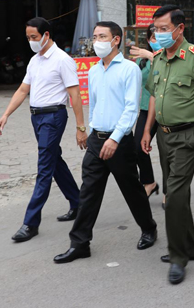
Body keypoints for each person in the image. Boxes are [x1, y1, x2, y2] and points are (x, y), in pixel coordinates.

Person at [54, 22, 157, 264]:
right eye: (95, 36)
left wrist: (114, 138)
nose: (97, 41)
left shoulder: (129, 69)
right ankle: (79, 243)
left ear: (116, 40)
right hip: (96, 139)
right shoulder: (93, 70)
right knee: (88, 192)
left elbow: (132, 109)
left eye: (102, 36)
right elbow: (96, 105)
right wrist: (89, 131)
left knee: (132, 189)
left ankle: (149, 228)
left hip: (119, 143)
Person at [140, 5, 194, 285]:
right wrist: (147, 130)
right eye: (156, 29)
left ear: (179, 28)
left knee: (172, 195)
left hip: (190, 134)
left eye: (164, 29)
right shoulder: (159, 58)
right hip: (163, 135)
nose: (159, 34)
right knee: (177, 192)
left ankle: (178, 257)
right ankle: (191, 246)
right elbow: (154, 96)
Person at [0, 17, 86, 243]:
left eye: (34, 37)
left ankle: (30, 223)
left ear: (46, 35)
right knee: (54, 160)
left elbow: (75, 95)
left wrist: (80, 127)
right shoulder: (34, 61)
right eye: (28, 38)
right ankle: (77, 203)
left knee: (44, 167)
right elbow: (22, 89)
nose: (31, 41)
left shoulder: (63, 60)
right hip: (36, 117)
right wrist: (6, 114)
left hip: (54, 117)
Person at [129, 25, 161, 200]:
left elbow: (165, 70)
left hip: (165, 110)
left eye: (159, 36)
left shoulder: (169, 57)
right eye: (153, 38)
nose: (156, 40)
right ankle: (149, 182)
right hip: (145, 108)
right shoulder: (141, 61)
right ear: (148, 40)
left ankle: (169, 192)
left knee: (167, 154)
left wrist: (150, 55)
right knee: (138, 147)